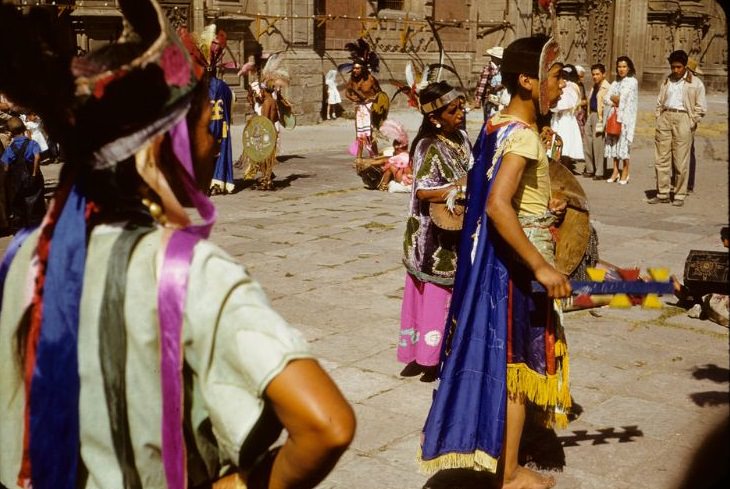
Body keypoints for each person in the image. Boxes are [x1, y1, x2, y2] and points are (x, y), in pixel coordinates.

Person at [0, 2, 355, 489]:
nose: (213, 142)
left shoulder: (23, 256)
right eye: (206, 125)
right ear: (161, 146)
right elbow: (326, 426)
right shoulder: (190, 272)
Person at [419, 35, 571, 489]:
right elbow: (499, 205)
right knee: (520, 370)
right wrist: (542, 267)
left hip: (496, 267)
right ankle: (509, 474)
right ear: (527, 80)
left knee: (509, 366)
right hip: (518, 273)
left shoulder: (496, 125)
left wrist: (544, 205)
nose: (561, 85)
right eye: (556, 75)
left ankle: (508, 457)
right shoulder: (521, 136)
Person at [398, 81, 471, 383]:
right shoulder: (428, 146)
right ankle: (426, 356)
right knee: (434, 292)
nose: (461, 114)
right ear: (434, 118)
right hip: (430, 234)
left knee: (450, 292)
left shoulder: (463, 138)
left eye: (461, 107)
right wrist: (461, 189)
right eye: (453, 111)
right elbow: (425, 192)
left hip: (456, 228)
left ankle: (443, 352)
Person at [649, 50, 707, 206]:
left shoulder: (695, 83)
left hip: (683, 119)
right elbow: (660, 100)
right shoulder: (667, 81)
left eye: (678, 67)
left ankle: (679, 194)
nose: (675, 70)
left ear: (685, 66)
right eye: (673, 67)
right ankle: (662, 193)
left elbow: (701, 107)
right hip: (666, 117)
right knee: (661, 158)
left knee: (680, 160)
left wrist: (692, 121)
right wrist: (659, 116)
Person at [0, 116, 44, 230]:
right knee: (36, 204)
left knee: (19, 205)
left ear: (10, 132)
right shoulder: (32, 143)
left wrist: (5, 179)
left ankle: (21, 229)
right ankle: (36, 226)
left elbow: (5, 166)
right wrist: (34, 173)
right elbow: (37, 157)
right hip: (33, 178)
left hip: (17, 181)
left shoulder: (10, 148)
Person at [603, 55, 638, 185]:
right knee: (613, 143)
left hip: (625, 118)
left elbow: (625, 99)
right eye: (619, 67)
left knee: (624, 145)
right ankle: (615, 171)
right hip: (613, 116)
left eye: (624, 67)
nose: (621, 69)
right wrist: (614, 99)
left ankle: (626, 171)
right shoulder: (615, 82)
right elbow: (607, 98)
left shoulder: (632, 82)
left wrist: (616, 98)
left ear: (629, 68)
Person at [344, 39, 381, 159]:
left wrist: (372, 100)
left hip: (370, 108)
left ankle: (374, 155)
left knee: (370, 134)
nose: (355, 70)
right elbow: (347, 92)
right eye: (354, 68)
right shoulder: (352, 80)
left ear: (363, 69)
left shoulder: (370, 79)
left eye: (357, 68)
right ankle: (358, 157)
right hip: (359, 108)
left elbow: (380, 95)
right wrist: (353, 98)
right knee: (359, 133)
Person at [550, 64, 585, 174]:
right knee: (556, 145)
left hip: (566, 120)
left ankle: (563, 170)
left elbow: (564, 104)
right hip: (559, 119)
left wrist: (551, 106)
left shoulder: (571, 87)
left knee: (564, 145)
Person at [583, 63, 611, 179]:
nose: (595, 76)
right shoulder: (594, 86)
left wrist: (604, 121)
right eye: (593, 74)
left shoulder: (607, 87)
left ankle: (599, 172)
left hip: (600, 117)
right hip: (591, 115)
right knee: (588, 143)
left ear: (603, 74)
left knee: (599, 144)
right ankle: (590, 169)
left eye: (597, 74)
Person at [475, 46, 505, 121]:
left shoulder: (501, 69)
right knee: (489, 119)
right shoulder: (488, 70)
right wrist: (478, 99)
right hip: (490, 99)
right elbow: (481, 86)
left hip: (501, 99)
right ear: (494, 58)